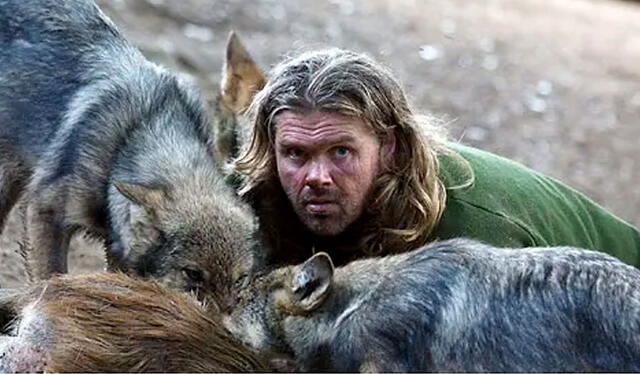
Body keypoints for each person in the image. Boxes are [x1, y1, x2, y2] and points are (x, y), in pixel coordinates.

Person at [234, 48, 640, 267]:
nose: (317, 176)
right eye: (296, 154)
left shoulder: (472, 232)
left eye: (341, 151)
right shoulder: (260, 193)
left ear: (389, 147)